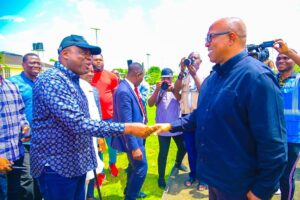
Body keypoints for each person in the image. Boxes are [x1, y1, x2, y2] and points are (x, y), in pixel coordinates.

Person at [154, 17, 287, 200]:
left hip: (241, 187)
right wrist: (169, 126)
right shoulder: (212, 79)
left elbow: (274, 145)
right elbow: (200, 116)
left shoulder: (256, 78)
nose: (206, 43)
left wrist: (260, 191)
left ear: (231, 38)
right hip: (215, 181)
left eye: (211, 37)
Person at [29, 34, 156, 200]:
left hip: (75, 164)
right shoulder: (52, 79)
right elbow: (78, 123)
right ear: (65, 54)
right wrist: (128, 127)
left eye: (90, 55)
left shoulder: (72, 80)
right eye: (83, 53)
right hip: (56, 167)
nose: (89, 59)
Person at [8, 52, 42, 200]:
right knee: (26, 178)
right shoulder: (13, 84)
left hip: (41, 139)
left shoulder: (42, 82)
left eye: (38, 63)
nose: (36, 65)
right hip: (21, 141)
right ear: (23, 64)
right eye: (32, 63)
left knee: (40, 176)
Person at [111, 62, 148, 200]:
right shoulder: (124, 91)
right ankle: (131, 197)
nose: (142, 79)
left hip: (137, 136)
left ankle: (129, 191)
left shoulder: (128, 88)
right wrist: (135, 147)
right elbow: (126, 123)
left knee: (133, 167)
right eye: (142, 76)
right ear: (138, 75)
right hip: (133, 139)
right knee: (141, 169)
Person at [148, 67, 186, 189]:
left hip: (176, 125)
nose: (167, 80)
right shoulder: (157, 88)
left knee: (183, 147)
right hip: (162, 127)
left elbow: (181, 100)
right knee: (163, 153)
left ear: (172, 78)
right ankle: (161, 177)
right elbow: (150, 104)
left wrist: (173, 90)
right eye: (164, 78)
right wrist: (159, 90)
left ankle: (177, 163)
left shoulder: (176, 87)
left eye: (169, 78)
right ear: (161, 78)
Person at [173, 52, 206, 190]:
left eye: (195, 58)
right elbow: (176, 89)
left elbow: (204, 90)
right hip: (187, 117)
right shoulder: (185, 75)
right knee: (190, 148)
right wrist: (182, 71)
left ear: (201, 61)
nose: (192, 60)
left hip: (201, 117)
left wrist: (194, 74)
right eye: (190, 57)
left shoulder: (205, 75)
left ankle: (204, 179)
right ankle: (193, 174)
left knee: (203, 149)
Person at [273, 39, 300, 200]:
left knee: (286, 177)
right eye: (278, 58)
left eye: (286, 57)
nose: (281, 60)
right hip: (272, 135)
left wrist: (288, 50)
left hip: (292, 137)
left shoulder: (298, 79)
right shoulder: (271, 78)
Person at [0, 68, 29, 200]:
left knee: (15, 194)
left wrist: (24, 125)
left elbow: (21, 112)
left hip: (15, 153)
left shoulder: (11, 86)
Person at [91, 54, 119, 177]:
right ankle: (100, 170)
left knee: (112, 145)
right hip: (94, 119)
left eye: (100, 59)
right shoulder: (87, 76)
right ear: (91, 60)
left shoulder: (111, 76)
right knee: (98, 146)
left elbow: (116, 96)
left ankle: (112, 163)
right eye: (95, 60)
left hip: (110, 117)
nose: (98, 62)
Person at [79, 64, 104, 200]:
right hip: (81, 138)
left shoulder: (93, 90)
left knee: (93, 167)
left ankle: (90, 195)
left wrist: (100, 136)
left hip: (94, 137)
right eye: (87, 71)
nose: (90, 74)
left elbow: (97, 113)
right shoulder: (74, 89)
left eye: (92, 72)